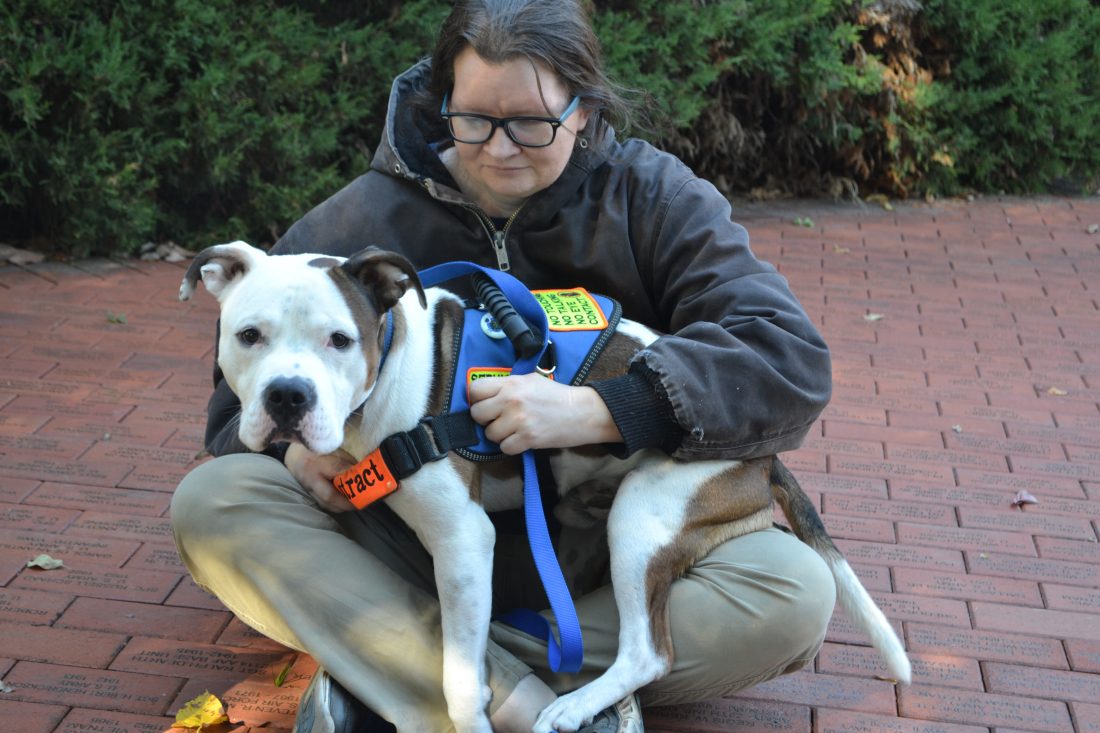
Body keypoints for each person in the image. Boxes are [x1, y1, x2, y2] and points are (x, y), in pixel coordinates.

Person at [170, 1, 837, 731]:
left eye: (531, 122)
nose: (500, 147)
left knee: (794, 592)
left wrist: (604, 408)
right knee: (214, 502)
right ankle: (529, 700)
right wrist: (297, 455)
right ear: (442, 103)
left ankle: (396, 664)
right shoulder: (354, 225)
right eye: (473, 118)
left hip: (602, 539)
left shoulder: (652, 198)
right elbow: (230, 422)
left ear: (583, 111)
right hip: (407, 534)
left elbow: (786, 357)